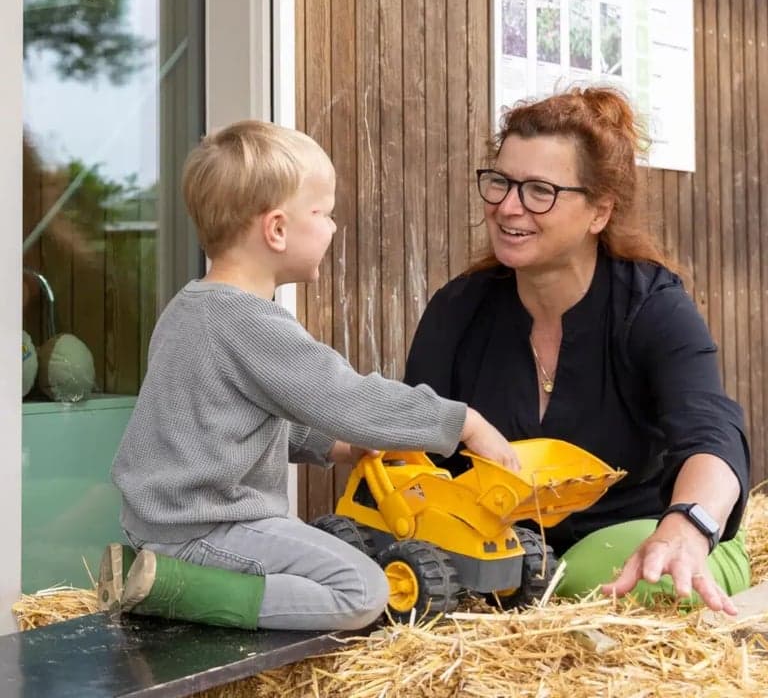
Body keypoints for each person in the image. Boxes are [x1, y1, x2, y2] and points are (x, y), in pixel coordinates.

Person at [102, 120, 519, 632]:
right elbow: (347, 398)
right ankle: (180, 591)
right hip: (209, 528)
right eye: (323, 213)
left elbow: (234, 417)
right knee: (364, 590)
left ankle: (155, 571)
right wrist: (462, 423)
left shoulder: (192, 307)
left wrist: (336, 447)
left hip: (165, 522)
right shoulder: (250, 320)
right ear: (276, 229)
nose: (333, 227)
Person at [403, 86, 751, 614]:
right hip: (503, 558)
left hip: (643, 540)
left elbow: (711, 433)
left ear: (598, 212)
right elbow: (414, 449)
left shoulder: (652, 307)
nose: (507, 206)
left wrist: (688, 526)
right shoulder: (459, 309)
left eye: (540, 190)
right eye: (500, 182)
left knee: (619, 578)